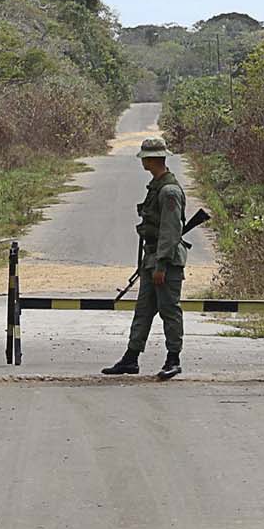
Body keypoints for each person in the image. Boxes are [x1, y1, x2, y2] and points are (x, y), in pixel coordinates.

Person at [102, 136, 188, 381]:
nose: (143, 161)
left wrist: (161, 264)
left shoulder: (169, 190)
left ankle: (174, 359)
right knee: (144, 309)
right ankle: (131, 357)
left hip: (166, 261)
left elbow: (170, 231)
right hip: (153, 259)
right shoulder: (157, 186)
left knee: (169, 309)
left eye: (145, 157)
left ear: (153, 159)